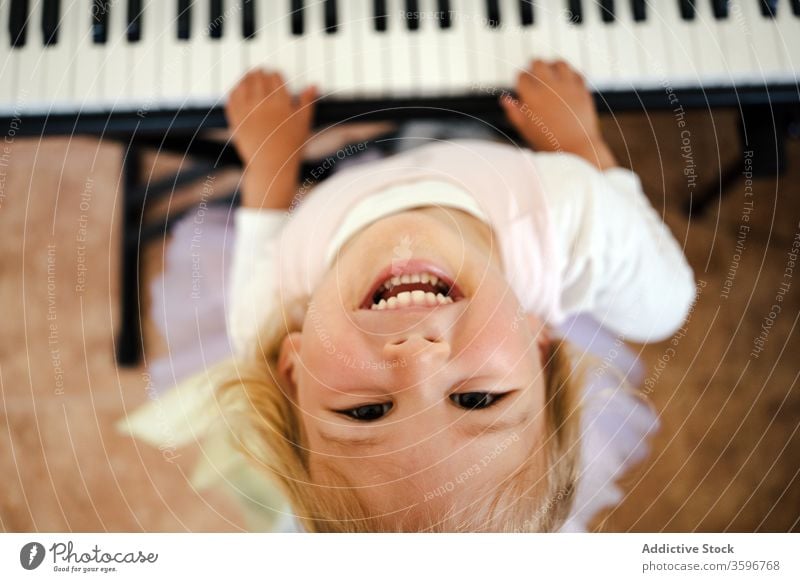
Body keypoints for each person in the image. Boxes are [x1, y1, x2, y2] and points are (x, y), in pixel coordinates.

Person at [121, 60, 695, 532]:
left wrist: (272, 160)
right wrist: (582, 145)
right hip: (508, 171)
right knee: (660, 309)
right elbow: (666, 291)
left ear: (292, 369)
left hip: (346, 198)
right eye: (478, 400)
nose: (418, 355)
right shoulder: (578, 214)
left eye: (366, 411)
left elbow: (264, 225)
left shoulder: (267, 312)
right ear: (539, 344)